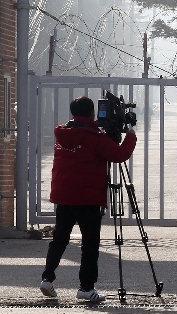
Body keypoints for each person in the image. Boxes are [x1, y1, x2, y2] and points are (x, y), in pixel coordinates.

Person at [40, 96, 137, 301]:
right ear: (92, 113)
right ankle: (86, 289)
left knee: (59, 240)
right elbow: (119, 155)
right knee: (90, 245)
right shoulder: (94, 137)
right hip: (88, 199)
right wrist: (130, 136)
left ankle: (47, 279)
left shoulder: (62, 135)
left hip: (64, 197)